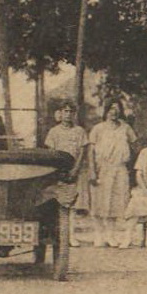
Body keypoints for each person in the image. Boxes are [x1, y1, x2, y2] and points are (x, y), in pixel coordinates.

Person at [86, 100, 137, 247]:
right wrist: (92, 171)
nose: (113, 112)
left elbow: (133, 147)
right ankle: (98, 234)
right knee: (99, 202)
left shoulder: (125, 128)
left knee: (116, 203)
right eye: (111, 108)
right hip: (102, 168)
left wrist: (130, 168)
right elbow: (91, 152)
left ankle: (111, 235)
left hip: (120, 168)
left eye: (117, 109)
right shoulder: (98, 128)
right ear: (106, 111)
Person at [44, 102, 90, 239]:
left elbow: (82, 152)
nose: (68, 114)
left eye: (71, 112)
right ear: (60, 113)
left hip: (75, 170)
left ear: (74, 114)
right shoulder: (54, 131)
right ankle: (61, 236)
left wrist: (75, 169)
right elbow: (50, 152)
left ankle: (72, 236)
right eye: (65, 111)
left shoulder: (79, 131)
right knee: (59, 201)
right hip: (58, 171)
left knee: (74, 204)